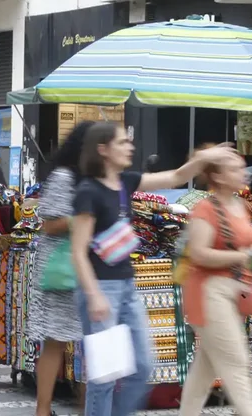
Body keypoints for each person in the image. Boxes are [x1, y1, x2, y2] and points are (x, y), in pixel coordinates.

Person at [70, 121, 237, 416]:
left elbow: (174, 177)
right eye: (122, 142)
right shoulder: (88, 192)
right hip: (100, 289)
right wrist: (94, 295)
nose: (130, 147)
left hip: (126, 286)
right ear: (103, 150)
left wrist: (204, 159)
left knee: (143, 365)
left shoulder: (126, 182)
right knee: (105, 377)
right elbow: (78, 252)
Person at [179, 153, 252, 416]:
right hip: (208, 292)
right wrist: (243, 257)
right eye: (235, 169)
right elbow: (199, 253)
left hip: (232, 292)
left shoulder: (240, 206)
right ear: (218, 177)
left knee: (205, 369)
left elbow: (246, 242)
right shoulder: (205, 210)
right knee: (236, 361)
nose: (243, 173)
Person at [28, 121, 94, 416]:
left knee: (92, 342)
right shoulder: (64, 176)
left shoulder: (93, 178)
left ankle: (87, 406)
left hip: (87, 269)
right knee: (56, 341)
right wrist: (84, 218)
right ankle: (43, 409)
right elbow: (50, 224)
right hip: (62, 269)